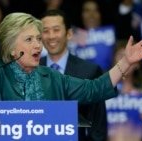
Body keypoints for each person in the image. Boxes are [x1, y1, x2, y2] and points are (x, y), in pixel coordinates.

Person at [0, 0, 142, 135]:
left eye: (37, 38)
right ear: (10, 47)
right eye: (29, 39)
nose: (37, 45)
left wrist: (126, 62)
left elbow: (95, 88)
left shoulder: (52, 77)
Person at [39, 9, 107, 141]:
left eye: (56, 29)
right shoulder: (29, 70)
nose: (51, 36)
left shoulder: (90, 71)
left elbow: (98, 127)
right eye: (45, 31)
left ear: (69, 34)